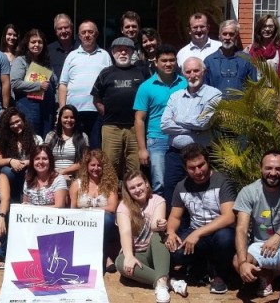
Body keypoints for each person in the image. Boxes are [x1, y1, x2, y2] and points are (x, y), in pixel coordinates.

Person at [232, 151, 280, 303]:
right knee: (238, 261)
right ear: (260, 168)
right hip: (261, 245)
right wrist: (244, 262)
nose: (273, 173)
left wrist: (279, 236)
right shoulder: (249, 191)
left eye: (279, 169)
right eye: (269, 168)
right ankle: (265, 274)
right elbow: (241, 228)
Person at [164, 143, 236, 295]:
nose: (198, 171)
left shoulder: (222, 181)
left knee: (225, 238)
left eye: (201, 165)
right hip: (196, 232)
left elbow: (229, 217)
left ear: (207, 161)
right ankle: (200, 267)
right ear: (185, 168)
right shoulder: (181, 186)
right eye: (192, 168)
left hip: (220, 231)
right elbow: (175, 216)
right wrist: (170, 232)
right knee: (175, 251)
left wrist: (197, 233)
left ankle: (220, 275)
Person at [115, 171, 187, 303]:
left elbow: (154, 225)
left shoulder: (158, 200)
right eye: (132, 188)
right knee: (120, 262)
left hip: (155, 254)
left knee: (158, 236)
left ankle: (161, 285)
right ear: (128, 191)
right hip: (137, 255)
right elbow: (125, 232)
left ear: (146, 184)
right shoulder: (123, 206)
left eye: (139, 184)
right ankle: (167, 282)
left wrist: (160, 224)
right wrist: (129, 256)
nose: (137, 190)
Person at [161, 56, 222, 210]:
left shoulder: (214, 94)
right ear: (183, 74)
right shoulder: (175, 96)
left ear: (204, 71)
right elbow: (165, 124)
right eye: (188, 71)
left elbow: (205, 122)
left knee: (200, 191)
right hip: (176, 154)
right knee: (171, 188)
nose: (192, 75)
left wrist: (179, 118)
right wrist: (192, 128)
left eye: (196, 70)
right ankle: (174, 229)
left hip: (201, 154)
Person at [133, 44, 187, 197]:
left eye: (171, 60)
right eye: (164, 61)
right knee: (159, 183)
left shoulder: (184, 84)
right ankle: (160, 218)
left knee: (181, 180)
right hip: (157, 139)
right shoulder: (146, 87)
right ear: (155, 63)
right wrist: (142, 149)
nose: (168, 64)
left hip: (181, 138)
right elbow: (139, 119)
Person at [91, 37, 150, 177]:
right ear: (113, 52)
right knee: (109, 167)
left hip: (135, 128)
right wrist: (106, 113)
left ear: (132, 52)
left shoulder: (142, 72)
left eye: (126, 50)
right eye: (119, 50)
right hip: (111, 128)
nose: (123, 53)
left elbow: (150, 95)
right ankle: (112, 197)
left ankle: (131, 198)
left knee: (135, 167)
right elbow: (96, 98)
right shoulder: (105, 73)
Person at [58, 20, 112, 149]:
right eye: (83, 32)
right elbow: (63, 84)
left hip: (96, 112)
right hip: (74, 112)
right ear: (79, 36)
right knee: (75, 149)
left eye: (90, 32)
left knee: (95, 148)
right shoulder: (71, 56)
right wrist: (62, 109)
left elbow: (110, 85)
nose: (87, 35)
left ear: (96, 34)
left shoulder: (105, 55)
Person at [69, 150, 120, 273]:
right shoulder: (77, 184)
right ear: (87, 166)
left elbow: (112, 208)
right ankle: (101, 256)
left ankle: (103, 255)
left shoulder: (109, 184)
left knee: (107, 219)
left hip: (104, 224)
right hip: (82, 223)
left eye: (99, 165)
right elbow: (73, 208)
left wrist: (89, 210)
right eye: (92, 165)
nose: (96, 168)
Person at [11, 28, 57, 138]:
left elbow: (55, 85)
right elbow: (15, 83)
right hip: (28, 107)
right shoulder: (20, 61)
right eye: (33, 42)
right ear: (27, 44)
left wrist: (57, 108)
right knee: (32, 138)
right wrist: (38, 85)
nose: (36, 45)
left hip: (47, 110)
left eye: (40, 42)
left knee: (46, 140)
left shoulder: (47, 64)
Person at [0, 107, 43, 203]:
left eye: (17, 121)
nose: (16, 125)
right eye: (12, 124)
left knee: (27, 174)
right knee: (6, 171)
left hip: (30, 171)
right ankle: (10, 203)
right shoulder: (4, 141)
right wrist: (11, 161)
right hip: (12, 175)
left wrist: (27, 162)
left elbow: (42, 157)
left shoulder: (36, 139)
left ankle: (24, 202)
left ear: (23, 120)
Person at [203, 20, 257, 96]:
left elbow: (253, 88)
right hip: (216, 106)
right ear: (219, 36)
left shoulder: (247, 60)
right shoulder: (209, 61)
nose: (227, 37)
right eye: (224, 34)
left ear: (237, 36)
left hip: (240, 106)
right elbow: (204, 89)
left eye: (231, 34)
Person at [44, 104, 89, 182]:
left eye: (72, 117)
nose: (69, 120)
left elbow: (84, 161)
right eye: (65, 117)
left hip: (74, 177)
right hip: (52, 176)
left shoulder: (83, 137)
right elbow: (44, 158)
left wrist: (64, 172)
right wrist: (57, 175)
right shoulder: (51, 136)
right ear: (60, 119)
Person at [47, 14, 79, 79]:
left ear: (71, 28)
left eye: (66, 27)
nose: (63, 31)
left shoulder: (81, 47)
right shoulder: (49, 50)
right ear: (56, 31)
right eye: (60, 28)